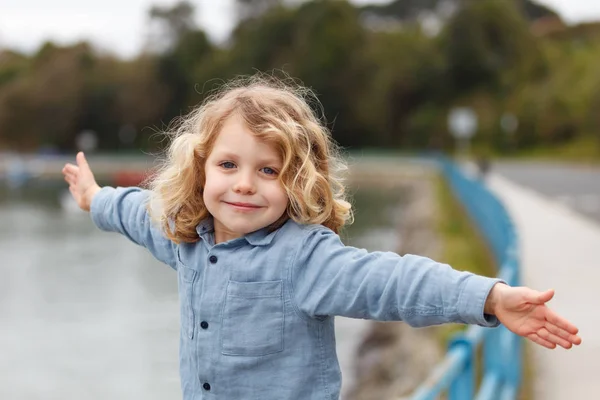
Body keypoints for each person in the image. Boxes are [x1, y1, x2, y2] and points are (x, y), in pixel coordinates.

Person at [62, 75, 581, 400]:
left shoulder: (304, 259)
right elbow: (139, 212)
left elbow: (392, 281)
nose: (244, 183)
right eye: (228, 164)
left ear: (298, 182)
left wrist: (487, 297)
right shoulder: (186, 237)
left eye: (269, 171)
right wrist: (94, 199)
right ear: (200, 171)